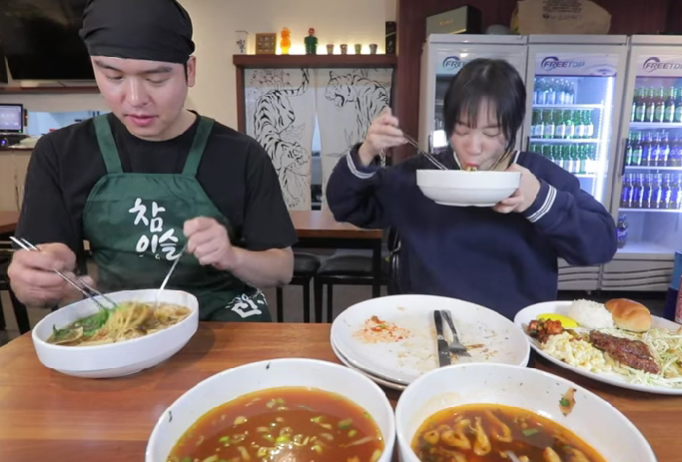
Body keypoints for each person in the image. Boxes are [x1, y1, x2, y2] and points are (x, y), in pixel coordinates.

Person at [8, 0, 296, 322]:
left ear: (189, 71)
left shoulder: (240, 154)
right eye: (113, 76)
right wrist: (34, 281)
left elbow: (281, 269)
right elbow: (37, 282)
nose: (135, 99)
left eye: (156, 79)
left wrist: (231, 256)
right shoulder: (61, 153)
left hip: (223, 322)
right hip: (122, 325)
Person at [326, 58, 617, 319]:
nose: (473, 147)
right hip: (425, 327)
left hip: (516, 333)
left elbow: (601, 244)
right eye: (462, 130)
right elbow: (345, 206)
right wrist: (367, 151)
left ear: (512, 128)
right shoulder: (422, 175)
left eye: (490, 133)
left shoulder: (537, 176)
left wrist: (539, 200)